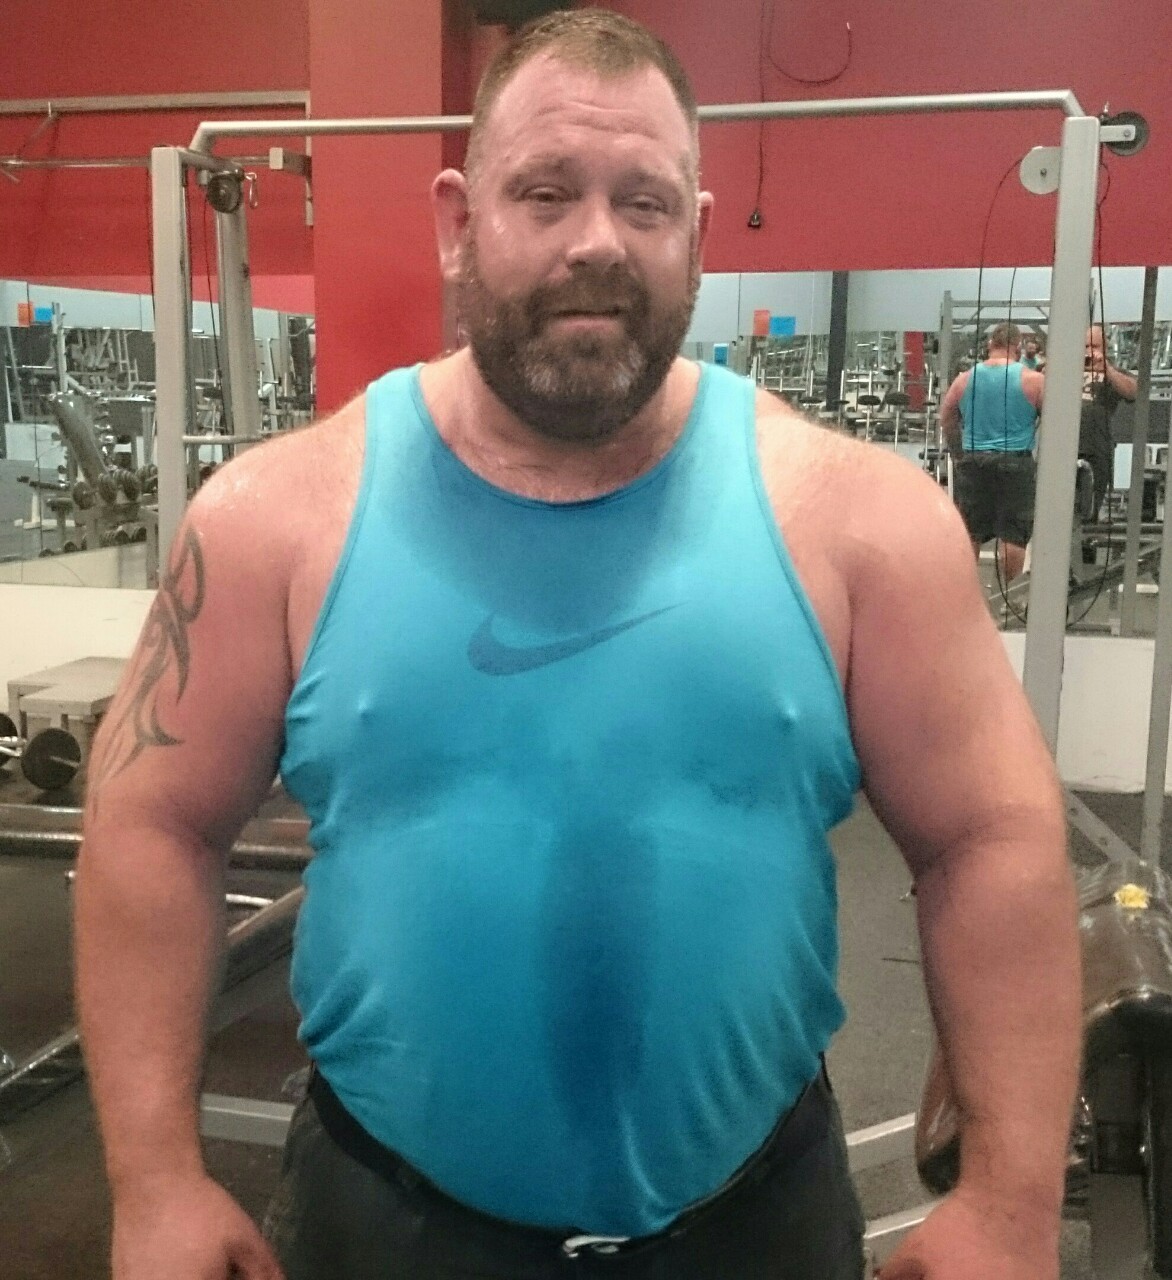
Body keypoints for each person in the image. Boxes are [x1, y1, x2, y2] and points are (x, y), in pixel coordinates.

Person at [75, 10, 1080, 1280]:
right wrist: (154, 1178)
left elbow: (990, 836)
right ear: (458, 221)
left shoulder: (862, 523)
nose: (595, 239)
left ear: (696, 234)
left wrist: (1008, 1202)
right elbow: (151, 824)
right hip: (386, 1225)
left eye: (641, 202)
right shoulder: (273, 519)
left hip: (752, 1226)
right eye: (544, 193)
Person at [938, 322, 1045, 582]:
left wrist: (959, 454)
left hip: (974, 462)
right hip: (1016, 462)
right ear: (1017, 347)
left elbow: (947, 418)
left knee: (971, 533)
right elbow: (1053, 422)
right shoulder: (1033, 380)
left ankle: (967, 595)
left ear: (990, 345)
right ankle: (1008, 593)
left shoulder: (964, 379)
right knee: (1013, 537)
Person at [1079, 323, 1138, 523]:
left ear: (1104, 348)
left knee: (1090, 509)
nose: (1089, 351)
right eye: (1085, 346)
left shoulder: (1114, 372)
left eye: (1094, 346)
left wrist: (1107, 369)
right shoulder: (1066, 369)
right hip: (1065, 446)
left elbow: (1132, 392)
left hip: (1097, 447)